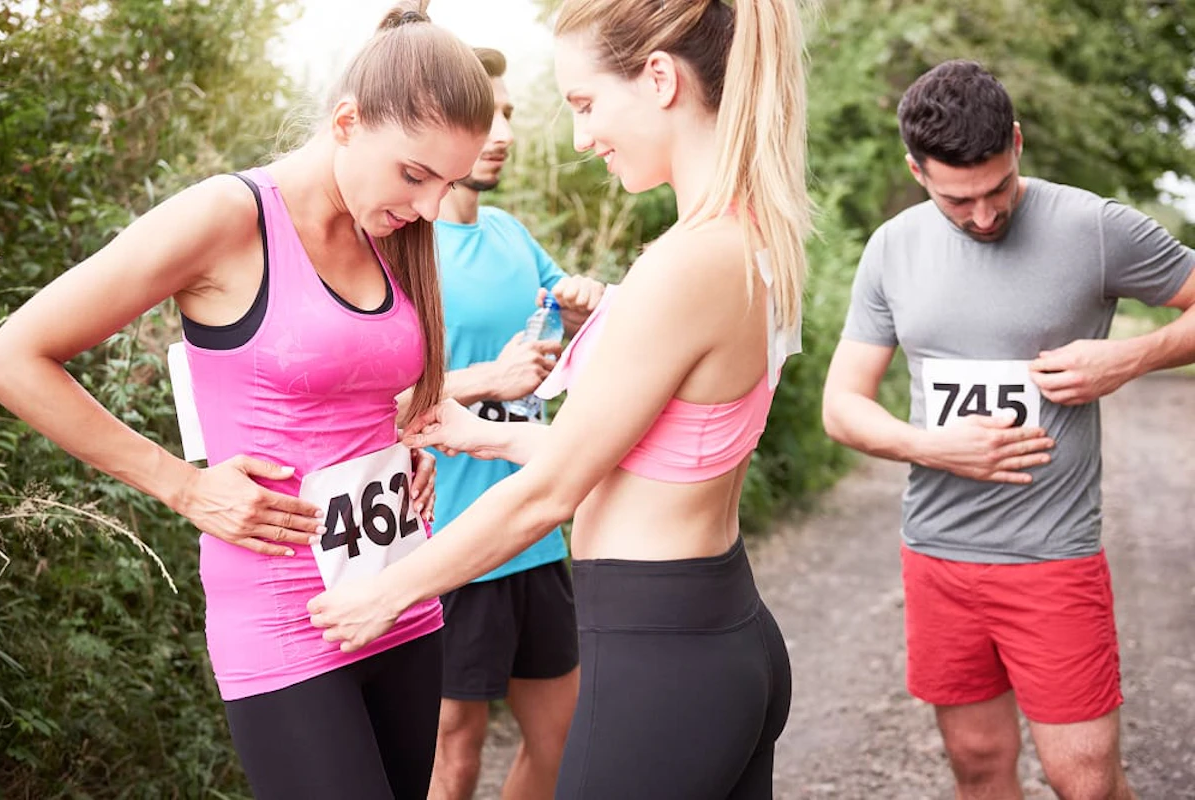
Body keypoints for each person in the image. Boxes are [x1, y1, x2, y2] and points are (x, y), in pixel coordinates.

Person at [307, 0, 812, 797]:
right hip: (713, 633)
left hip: (661, 655)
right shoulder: (749, 237)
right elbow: (642, 460)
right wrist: (490, 435)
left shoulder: (685, 264)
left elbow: (552, 494)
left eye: (584, 104)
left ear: (658, 79)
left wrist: (387, 594)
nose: (582, 138)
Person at [0, 6, 494, 799]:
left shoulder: (389, 231)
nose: (432, 206)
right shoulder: (228, 218)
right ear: (346, 121)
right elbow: (14, 357)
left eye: (449, 183)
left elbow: (356, 386)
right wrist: (183, 486)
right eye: (415, 174)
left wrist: (402, 449)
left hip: (399, 595)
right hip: (281, 621)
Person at [821, 60, 1195, 800]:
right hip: (938, 558)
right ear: (916, 170)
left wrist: (1127, 358)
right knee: (979, 765)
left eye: (997, 189)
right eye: (959, 199)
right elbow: (841, 406)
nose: (985, 216)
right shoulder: (892, 248)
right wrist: (931, 445)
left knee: (1083, 779)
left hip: (1053, 560)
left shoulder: (1093, 226)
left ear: (1016, 142)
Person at [417, 46, 602, 800]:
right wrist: (485, 378)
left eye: (509, 115)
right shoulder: (405, 248)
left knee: (563, 739)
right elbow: (373, 396)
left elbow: (578, 322)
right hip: (452, 543)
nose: (502, 133)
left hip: (533, 533)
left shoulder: (512, 236)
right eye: (485, 115)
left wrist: (588, 305)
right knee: (453, 757)